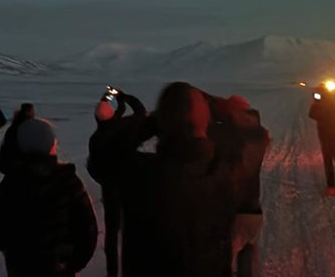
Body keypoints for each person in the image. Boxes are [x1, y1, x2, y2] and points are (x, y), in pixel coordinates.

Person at [91, 81, 238, 277]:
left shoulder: (142, 177)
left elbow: (103, 158)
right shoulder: (220, 174)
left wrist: (150, 124)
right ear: (206, 121)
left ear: (161, 123)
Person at [0, 117, 98, 277]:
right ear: (51, 145)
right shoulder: (69, 184)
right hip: (60, 269)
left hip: (21, 269)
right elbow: (87, 231)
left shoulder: (9, 185)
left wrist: (16, 257)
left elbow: (0, 232)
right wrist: (72, 265)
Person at [87, 87, 147, 277]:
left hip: (110, 188)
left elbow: (94, 166)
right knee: (132, 229)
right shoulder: (124, 129)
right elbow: (139, 111)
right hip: (129, 186)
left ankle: (112, 272)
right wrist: (122, 95)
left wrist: (107, 98)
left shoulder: (95, 139)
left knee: (112, 233)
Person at [207, 95, 269, 277]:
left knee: (228, 262)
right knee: (248, 254)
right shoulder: (259, 135)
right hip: (253, 210)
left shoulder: (226, 136)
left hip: (233, 211)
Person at [0, 102, 35, 175]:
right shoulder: (26, 126)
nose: (34, 113)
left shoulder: (14, 126)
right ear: (28, 112)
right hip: (16, 161)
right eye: (32, 111)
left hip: (8, 160)